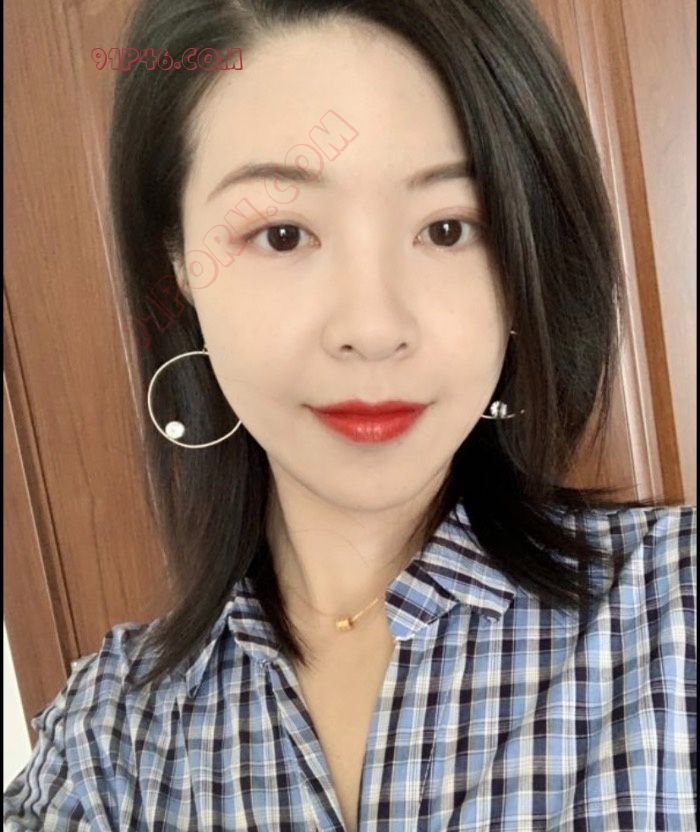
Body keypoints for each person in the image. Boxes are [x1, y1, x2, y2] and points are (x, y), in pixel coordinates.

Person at [4, 0, 696, 829]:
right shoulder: (108, 742)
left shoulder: (676, 615)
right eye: (283, 234)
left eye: (449, 228)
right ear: (179, 264)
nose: (372, 328)